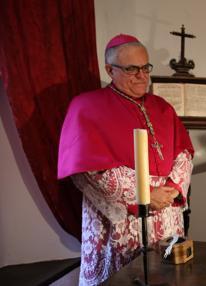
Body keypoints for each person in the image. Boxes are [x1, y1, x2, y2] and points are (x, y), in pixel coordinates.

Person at [57, 34, 194, 285]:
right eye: (132, 69)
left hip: (166, 211)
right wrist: (146, 194)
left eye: (145, 67)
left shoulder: (162, 106)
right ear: (110, 70)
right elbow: (90, 170)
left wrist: (173, 189)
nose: (142, 76)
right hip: (122, 219)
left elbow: (184, 152)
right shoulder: (86, 106)